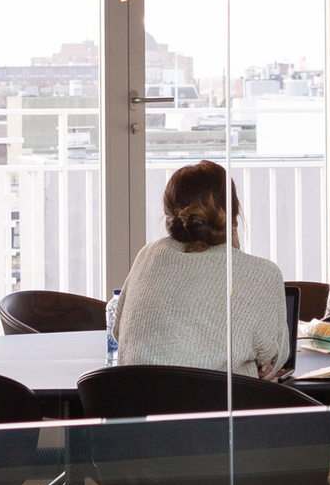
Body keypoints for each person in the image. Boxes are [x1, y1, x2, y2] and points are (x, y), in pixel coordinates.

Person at [113, 160, 288, 379]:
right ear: (234, 218)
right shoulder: (262, 274)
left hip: (137, 398)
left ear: (169, 218)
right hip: (221, 400)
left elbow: (118, 331)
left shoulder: (147, 256)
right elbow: (274, 357)